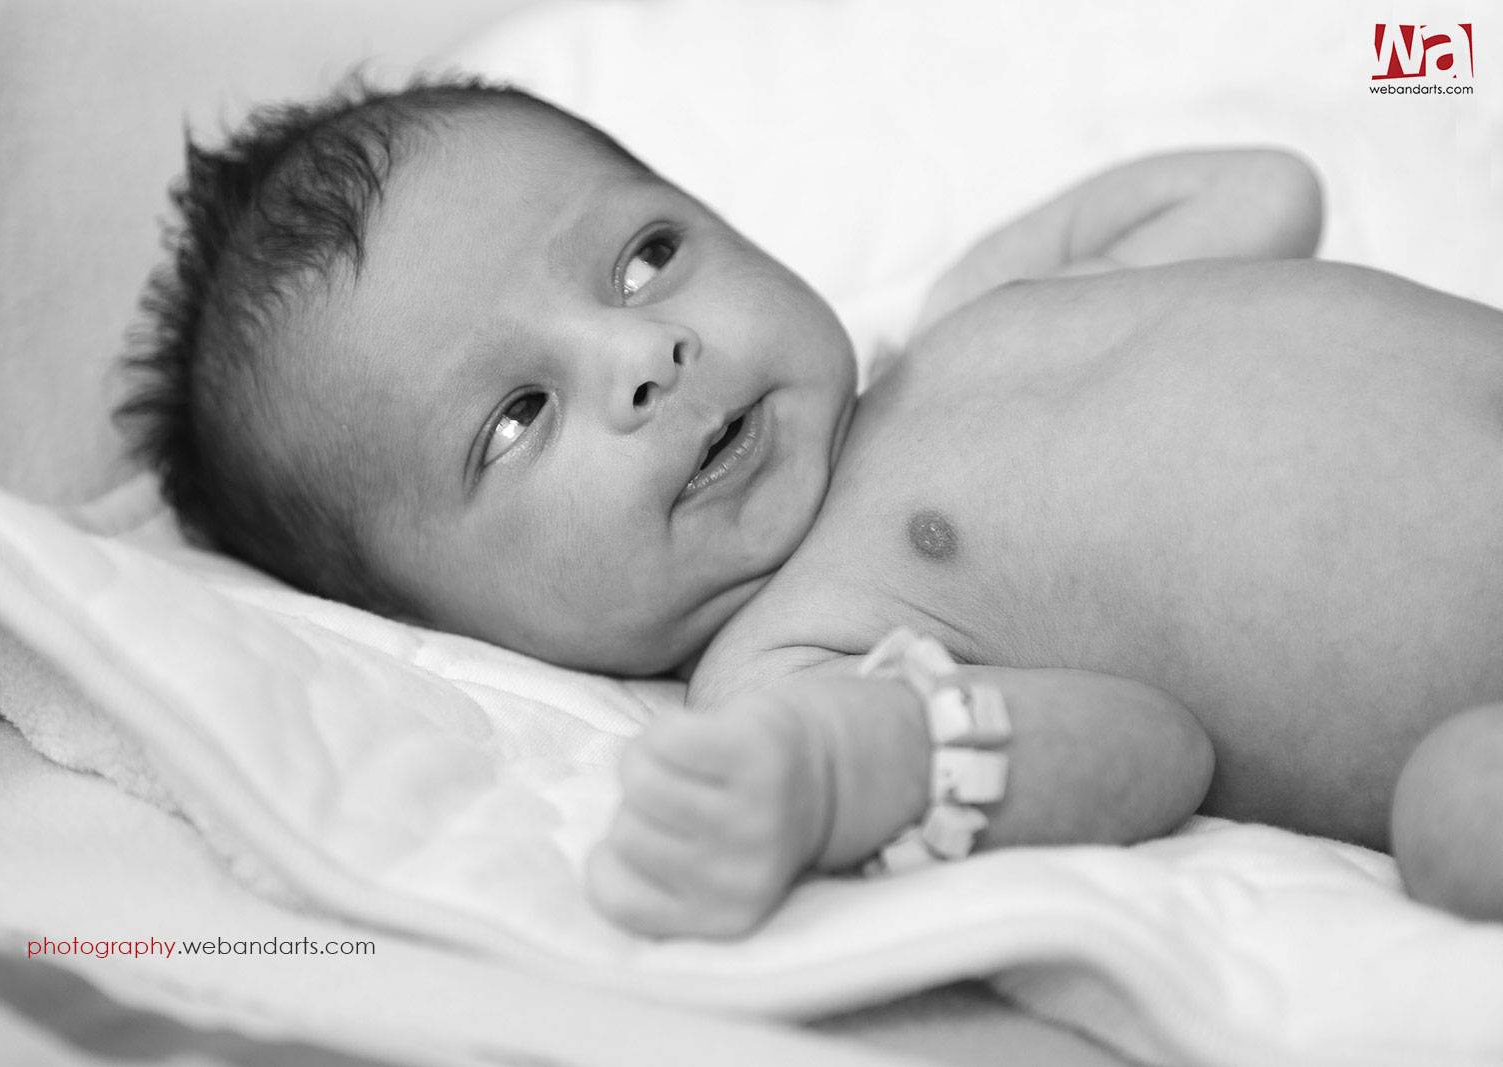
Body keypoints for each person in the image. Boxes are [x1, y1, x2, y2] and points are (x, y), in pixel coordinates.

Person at [118, 76, 1503, 939]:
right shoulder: (798, 659)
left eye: (646, 256)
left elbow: (1263, 191)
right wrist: (846, 778)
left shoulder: (958, 329)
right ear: (457, 623)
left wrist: (998, 287)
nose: (643, 355)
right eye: (516, 419)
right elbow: (1152, 753)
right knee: (1459, 822)